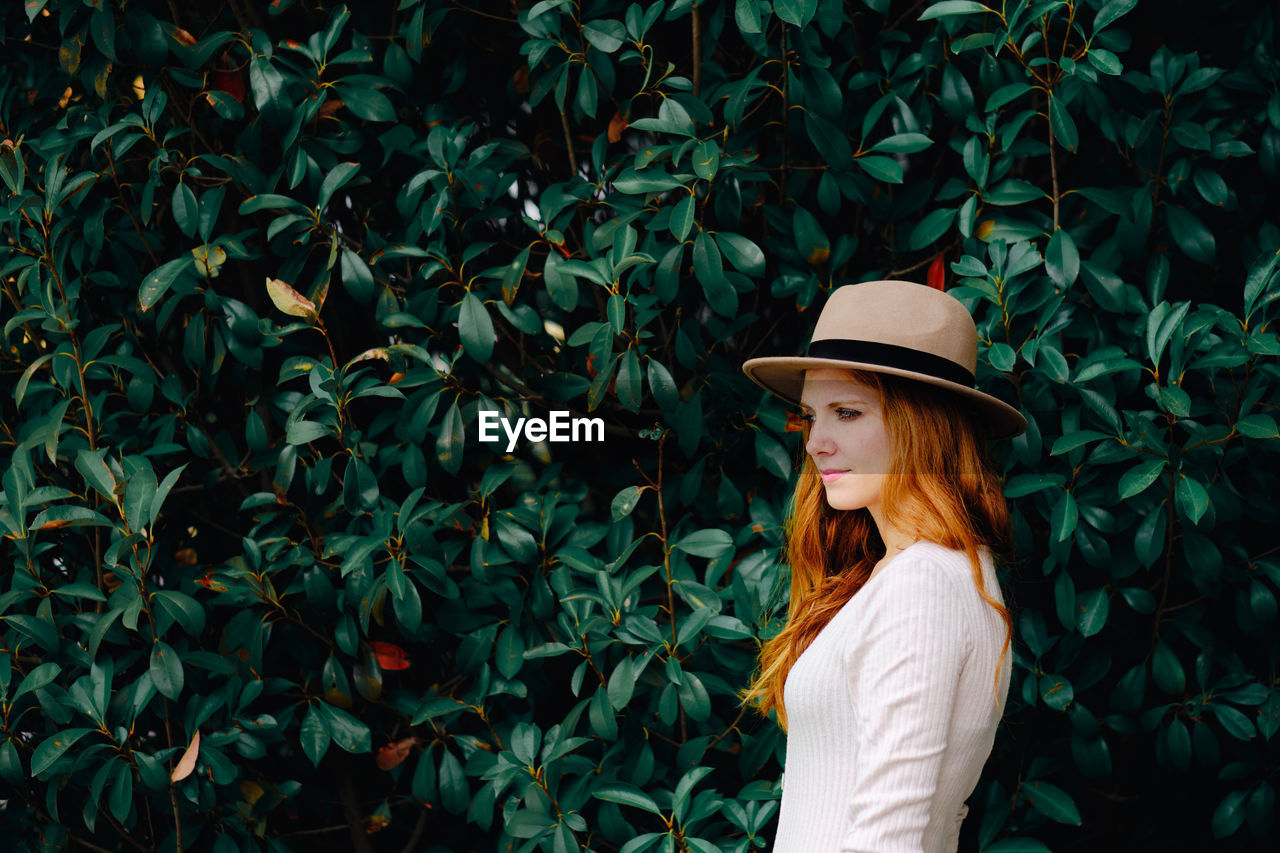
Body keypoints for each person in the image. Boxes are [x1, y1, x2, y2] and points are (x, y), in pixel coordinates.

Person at [739, 280, 1028, 853]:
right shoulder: (917, 574)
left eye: (846, 413)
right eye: (810, 417)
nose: (816, 441)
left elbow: (888, 840)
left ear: (924, 423)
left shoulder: (924, 586)